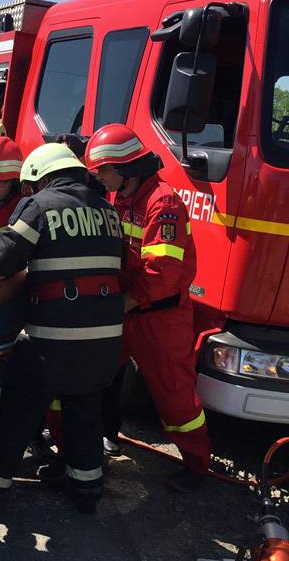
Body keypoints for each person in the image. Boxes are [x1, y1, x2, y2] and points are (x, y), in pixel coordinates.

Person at [0, 143, 124, 515]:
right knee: (84, 411)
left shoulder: (40, 206)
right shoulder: (108, 211)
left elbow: (1, 260)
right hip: (105, 343)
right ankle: (86, 490)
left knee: (15, 409)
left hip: (51, 339)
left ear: (40, 177)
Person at [84, 123, 211, 492]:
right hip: (128, 309)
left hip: (160, 315)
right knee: (99, 376)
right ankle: (101, 439)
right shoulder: (123, 199)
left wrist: (121, 304)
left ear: (124, 170)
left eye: (103, 170)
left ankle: (197, 466)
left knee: (174, 395)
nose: (99, 177)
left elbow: (162, 273)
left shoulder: (163, 204)